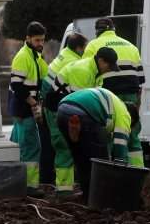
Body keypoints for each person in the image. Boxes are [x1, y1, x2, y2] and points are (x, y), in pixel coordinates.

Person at [43, 47, 120, 197]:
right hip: (57, 109)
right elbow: (80, 105)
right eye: (109, 65)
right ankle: (63, 191)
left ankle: (78, 185)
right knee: (64, 146)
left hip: (70, 108)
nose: (110, 69)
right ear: (100, 60)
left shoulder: (97, 73)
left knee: (77, 146)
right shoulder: (83, 71)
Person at [55, 88, 139, 201]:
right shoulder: (124, 114)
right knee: (101, 162)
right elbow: (120, 147)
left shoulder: (110, 106)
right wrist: (122, 175)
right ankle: (102, 200)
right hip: (85, 112)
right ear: (131, 118)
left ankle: (88, 196)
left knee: (82, 159)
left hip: (62, 111)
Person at [82, 18, 145, 167]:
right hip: (131, 95)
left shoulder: (93, 45)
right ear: (113, 29)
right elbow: (141, 80)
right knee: (132, 135)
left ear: (97, 31)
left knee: (109, 136)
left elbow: (88, 73)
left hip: (107, 96)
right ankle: (138, 173)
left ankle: (109, 173)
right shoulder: (131, 46)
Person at [38, 33, 89, 186]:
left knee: (49, 141)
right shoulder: (73, 61)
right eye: (84, 48)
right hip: (53, 104)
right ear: (79, 48)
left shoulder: (64, 54)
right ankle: (54, 181)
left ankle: (47, 176)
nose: (85, 51)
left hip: (47, 100)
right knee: (59, 143)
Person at [6, 21, 49, 198]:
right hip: (25, 110)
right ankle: (30, 187)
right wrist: (33, 103)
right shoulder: (24, 57)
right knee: (31, 147)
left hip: (23, 109)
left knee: (17, 147)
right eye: (37, 39)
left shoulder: (34, 56)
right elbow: (17, 85)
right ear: (28, 38)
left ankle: (14, 184)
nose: (40, 43)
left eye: (42, 40)